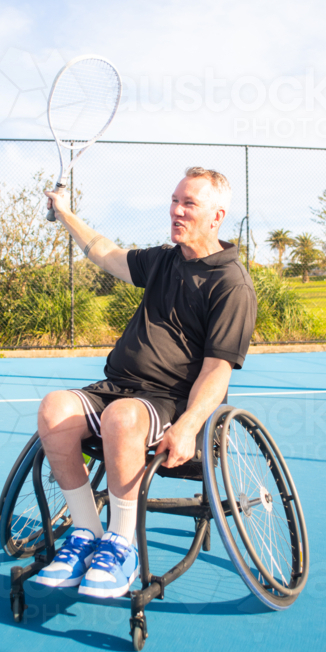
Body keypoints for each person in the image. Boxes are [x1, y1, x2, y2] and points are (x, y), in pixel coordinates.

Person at [37, 166, 257, 599]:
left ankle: (123, 544)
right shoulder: (163, 260)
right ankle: (85, 533)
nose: (176, 210)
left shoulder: (232, 284)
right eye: (174, 200)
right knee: (54, 408)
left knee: (122, 417)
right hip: (119, 386)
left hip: (170, 402)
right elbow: (104, 252)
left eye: (188, 203)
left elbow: (217, 370)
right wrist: (64, 213)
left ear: (217, 215)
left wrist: (190, 426)